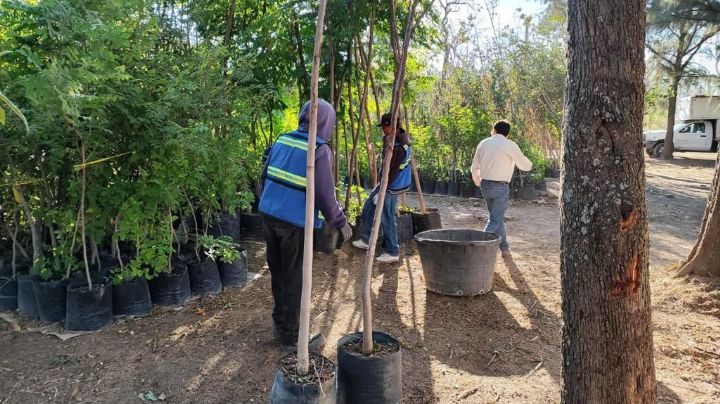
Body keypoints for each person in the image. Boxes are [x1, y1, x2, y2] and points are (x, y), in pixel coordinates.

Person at [258, 99, 353, 350]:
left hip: (270, 216)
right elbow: (324, 193)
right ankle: (291, 337)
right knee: (294, 278)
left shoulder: (282, 139)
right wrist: (340, 223)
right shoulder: (318, 149)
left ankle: (280, 324)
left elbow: (264, 174)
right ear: (325, 123)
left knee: (278, 273)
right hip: (294, 224)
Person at [352, 112, 412, 263]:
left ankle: (393, 251)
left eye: (384, 127)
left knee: (387, 216)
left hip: (392, 186)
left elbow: (392, 172)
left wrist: (383, 191)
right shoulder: (394, 139)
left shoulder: (399, 147)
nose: (382, 130)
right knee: (368, 207)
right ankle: (366, 240)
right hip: (387, 183)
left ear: (391, 126)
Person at [470, 120, 532, 257]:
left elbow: (474, 166)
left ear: (494, 129)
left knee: (496, 218)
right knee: (495, 220)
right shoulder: (509, 145)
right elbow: (524, 165)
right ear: (507, 134)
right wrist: (529, 164)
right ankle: (476, 247)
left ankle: (504, 249)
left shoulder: (484, 143)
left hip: (485, 185)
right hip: (500, 187)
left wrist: (477, 180)